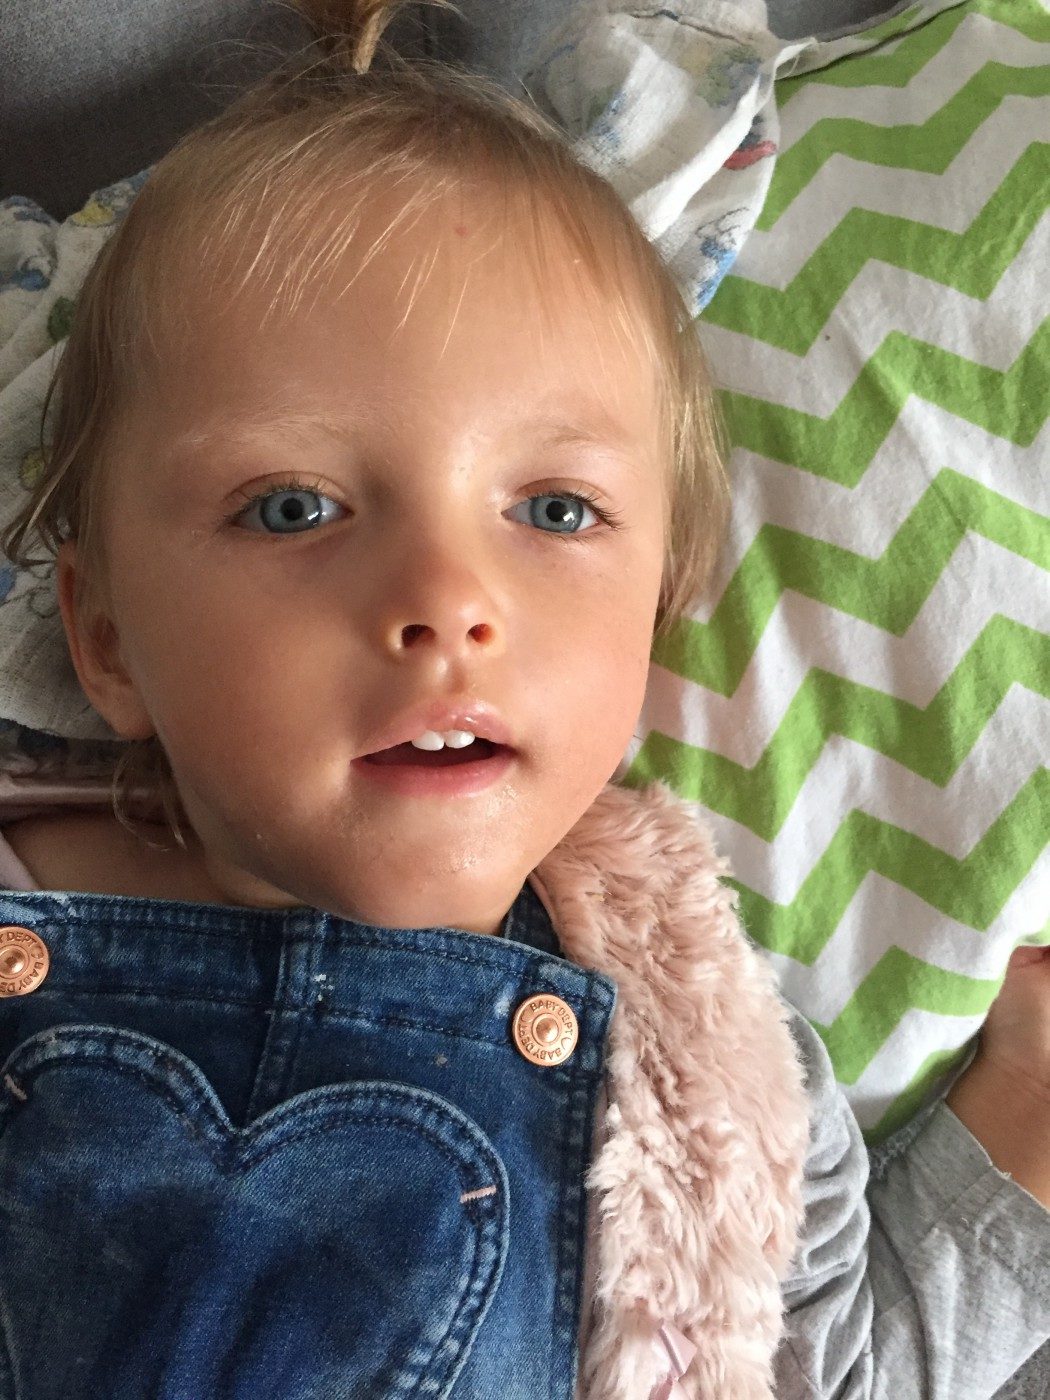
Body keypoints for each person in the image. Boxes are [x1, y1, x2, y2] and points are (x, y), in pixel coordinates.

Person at [0, 2, 1047, 1396]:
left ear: (662, 594)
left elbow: (827, 1373)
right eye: (294, 506)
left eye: (553, 509)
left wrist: (1013, 1146)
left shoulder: (697, 1042)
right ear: (106, 638)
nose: (447, 600)